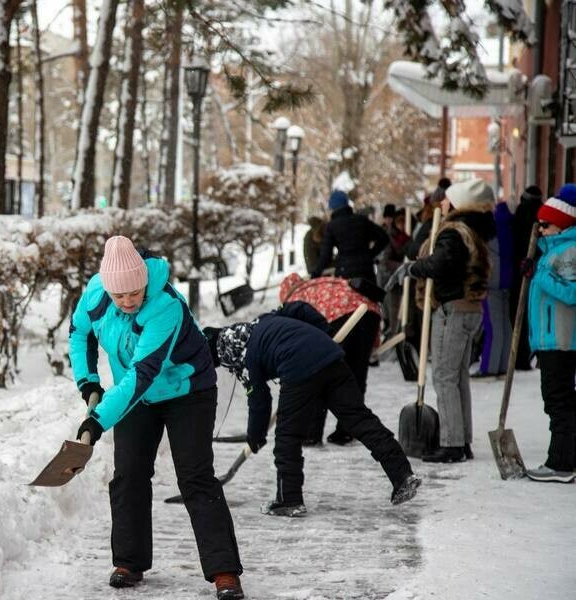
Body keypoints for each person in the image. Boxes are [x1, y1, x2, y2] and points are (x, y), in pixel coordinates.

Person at [69, 236, 244, 600]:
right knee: (129, 474)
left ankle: (224, 571)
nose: (129, 301)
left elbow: (142, 372)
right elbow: (79, 333)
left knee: (195, 477)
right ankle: (129, 562)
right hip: (137, 396)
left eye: (135, 292)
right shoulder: (96, 296)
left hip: (187, 391)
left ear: (144, 282)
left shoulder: (165, 305)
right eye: (120, 296)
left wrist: (97, 420)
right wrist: (88, 384)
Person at [203, 302, 421, 518]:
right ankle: (402, 474)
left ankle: (289, 499)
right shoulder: (261, 321)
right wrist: (325, 333)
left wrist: (255, 437)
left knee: (288, 435)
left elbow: (259, 403)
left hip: (299, 369)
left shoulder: (245, 359)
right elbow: (297, 307)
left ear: (222, 354)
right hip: (330, 355)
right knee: (359, 420)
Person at [388, 179, 496, 463]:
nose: (442, 204)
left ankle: (451, 444)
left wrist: (411, 268)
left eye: (448, 200)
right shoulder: (474, 231)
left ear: (458, 203)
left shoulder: (454, 232)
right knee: (458, 376)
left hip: (453, 309)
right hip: (470, 308)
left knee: (445, 377)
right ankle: (462, 439)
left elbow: (440, 264)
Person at [278, 273, 382, 446]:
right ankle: (346, 432)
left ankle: (311, 433)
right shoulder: (317, 284)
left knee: (321, 373)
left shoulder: (294, 299)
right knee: (355, 375)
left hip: (342, 314)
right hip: (369, 311)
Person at [523, 187, 576, 483]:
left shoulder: (569, 251)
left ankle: (560, 463)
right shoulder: (555, 250)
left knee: (558, 400)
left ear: (563, 223)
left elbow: (571, 293)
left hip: (562, 338)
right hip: (552, 338)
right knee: (560, 399)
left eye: (546, 224)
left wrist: (539, 275)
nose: (540, 230)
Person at [311, 190, 389, 282]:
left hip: (345, 273)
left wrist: (316, 272)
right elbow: (384, 237)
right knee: (367, 295)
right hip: (366, 270)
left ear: (332, 208)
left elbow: (326, 256)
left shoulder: (332, 226)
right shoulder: (362, 221)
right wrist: (370, 254)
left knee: (350, 296)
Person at [474, 198, 514, 377]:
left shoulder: (491, 228)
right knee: (505, 326)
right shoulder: (509, 224)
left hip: (493, 281)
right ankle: (504, 365)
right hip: (507, 280)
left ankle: (489, 367)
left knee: (492, 327)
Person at [511, 185, 544, 370]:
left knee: (521, 315)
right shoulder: (541, 215)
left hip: (523, 269)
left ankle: (522, 356)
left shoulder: (521, 213)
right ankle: (535, 353)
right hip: (536, 268)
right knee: (535, 314)